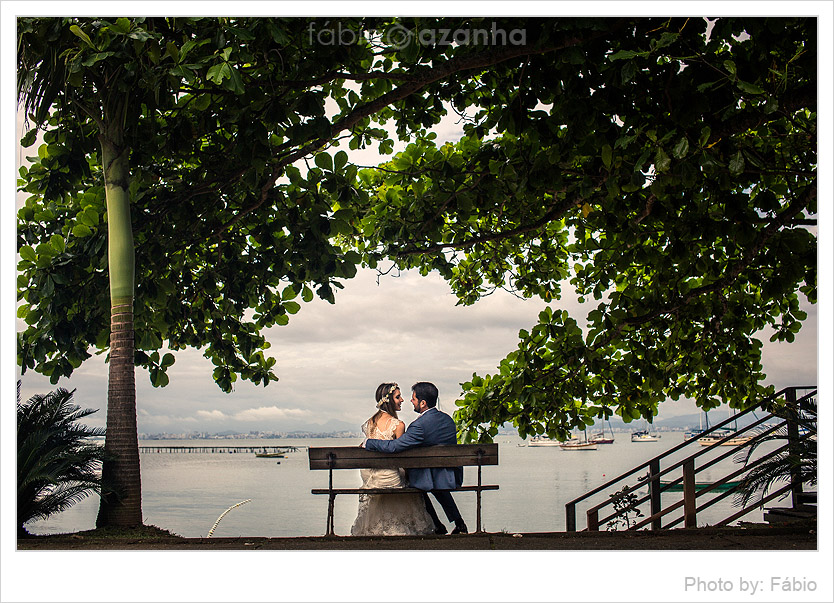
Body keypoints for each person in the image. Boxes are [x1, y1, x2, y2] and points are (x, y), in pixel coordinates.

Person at [363, 381, 468, 535]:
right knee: (433, 481)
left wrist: (369, 442)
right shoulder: (448, 421)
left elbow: (394, 447)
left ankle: (438, 525)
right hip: (450, 474)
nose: (410, 401)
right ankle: (458, 524)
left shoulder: (419, 426)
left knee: (416, 482)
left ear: (423, 403)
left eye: (413, 398)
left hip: (433, 476)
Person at [350, 382, 436, 536]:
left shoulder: (370, 423)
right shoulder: (398, 425)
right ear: (389, 400)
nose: (402, 400)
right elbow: (402, 458)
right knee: (409, 478)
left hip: (370, 477)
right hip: (390, 478)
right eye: (398, 397)